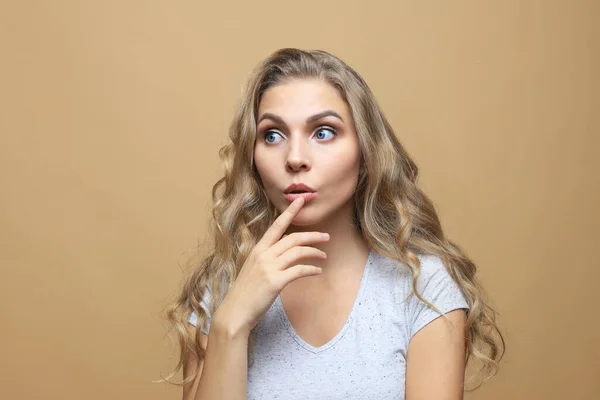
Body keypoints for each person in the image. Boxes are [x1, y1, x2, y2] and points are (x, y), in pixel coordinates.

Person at [161, 48, 505, 399]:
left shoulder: (421, 287)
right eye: (272, 135)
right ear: (252, 158)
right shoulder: (224, 287)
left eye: (323, 132)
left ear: (365, 150)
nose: (295, 158)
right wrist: (229, 325)